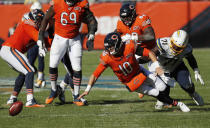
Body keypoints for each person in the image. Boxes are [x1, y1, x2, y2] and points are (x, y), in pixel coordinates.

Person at [79, 32, 190, 112]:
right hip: (132, 81)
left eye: (112, 47)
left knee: (162, 87)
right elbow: (95, 74)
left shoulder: (129, 46)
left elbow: (149, 53)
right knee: (155, 92)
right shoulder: (107, 57)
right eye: (108, 48)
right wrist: (87, 90)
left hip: (140, 70)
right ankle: (179, 104)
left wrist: (156, 66)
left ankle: (165, 101)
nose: (109, 50)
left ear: (118, 44)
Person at [38, 0, 97, 106]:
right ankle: (53, 90)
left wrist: (91, 34)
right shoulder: (58, 3)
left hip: (75, 39)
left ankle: (76, 96)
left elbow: (91, 20)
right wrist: (40, 36)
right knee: (53, 64)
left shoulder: (81, 4)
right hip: (59, 38)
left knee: (77, 68)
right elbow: (46, 18)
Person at [0, 9, 47, 107]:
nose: (41, 22)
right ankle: (30, 100)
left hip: (10, 51)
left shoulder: (32, 27)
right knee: (29, 70)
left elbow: (47, 41)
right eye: (39, 19)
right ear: (32, 18)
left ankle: (12, 98)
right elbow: (38, 37)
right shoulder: (27, 24)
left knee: (25, 72)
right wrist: (42, 45)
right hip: (10, 49)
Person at [148, 30, 204, 109]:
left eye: (178, 47)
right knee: (161, 89)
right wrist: (157, 68)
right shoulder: (163, 43)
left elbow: (190, 58)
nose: (175, 48)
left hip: (177, 67)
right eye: (174, 45)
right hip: (162, 70)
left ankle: (193, 94)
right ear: (171, 40)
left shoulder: (187, 49)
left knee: (187, 85)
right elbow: (151, 53)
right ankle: (161, 100)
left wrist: (196, 70)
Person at [116, 3, 156, 98]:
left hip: (151, 50)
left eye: (128, 17)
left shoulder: (142, 18)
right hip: (137, 50)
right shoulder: (120, 23)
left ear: (133, 14)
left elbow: (150, 36)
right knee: (130, 70)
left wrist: (132, 37)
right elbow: (116, 35)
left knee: (157, 78)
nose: (126, 20)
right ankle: (143, 86)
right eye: (124, 18)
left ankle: (164, 99)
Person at [22, 1, 46, 88]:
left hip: (39, 39)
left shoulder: (43, 16)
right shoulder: (26, 16)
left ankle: (40, 78)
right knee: (29, 62)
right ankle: (39, 77)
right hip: (32, 41)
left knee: (40, 60)